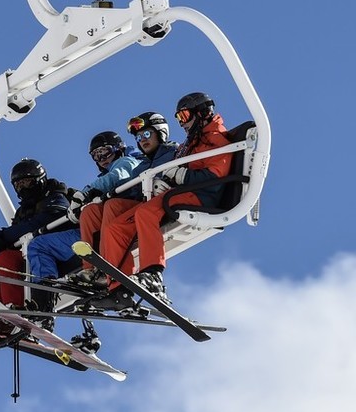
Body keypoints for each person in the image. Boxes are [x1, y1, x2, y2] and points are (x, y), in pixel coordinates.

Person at [87, 92, 233, 312]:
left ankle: (153, 274)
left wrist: (177, 177)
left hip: (198, 193)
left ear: (201, 113)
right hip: (178, 191)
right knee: (116, 224)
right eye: (179, 119)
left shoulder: (212, 137)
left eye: (184, 116)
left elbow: (214, 174)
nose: (183, 123)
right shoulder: (192, 141)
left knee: (145, 213)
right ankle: (120, 287)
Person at [24, 131, 140, 307]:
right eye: (95, 155)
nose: (100, 158)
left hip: (122, 218)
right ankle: (84, 275)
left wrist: (86, 193)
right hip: (100, 226)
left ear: (118, 149)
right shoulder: (106, 177)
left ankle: (48, 297)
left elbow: (117, 177)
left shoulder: (126, 162)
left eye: (104, 152)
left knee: (40, 244)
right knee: (41, 244)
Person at [67, 112, 179, 287]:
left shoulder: (165, 153)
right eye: (96, 156)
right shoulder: (142, 165)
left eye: (147, 134)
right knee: (89, 212)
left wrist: (163, 180)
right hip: (140, 202)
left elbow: (118, 177)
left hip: (159, 203)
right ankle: (92, 267)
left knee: (113, 205)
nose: (142, 139)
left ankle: (114, 273)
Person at [0, 158, 70, 327]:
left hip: (57, 249)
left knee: (6, 258)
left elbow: (48, 219)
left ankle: (14, 308)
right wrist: (0, 241)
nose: (23, 188)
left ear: (39, 180)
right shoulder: (23, 211)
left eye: (27, 182)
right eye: (19, 185)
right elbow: (20, 232)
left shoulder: (55, 195)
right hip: (31, 255)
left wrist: (4, 236)